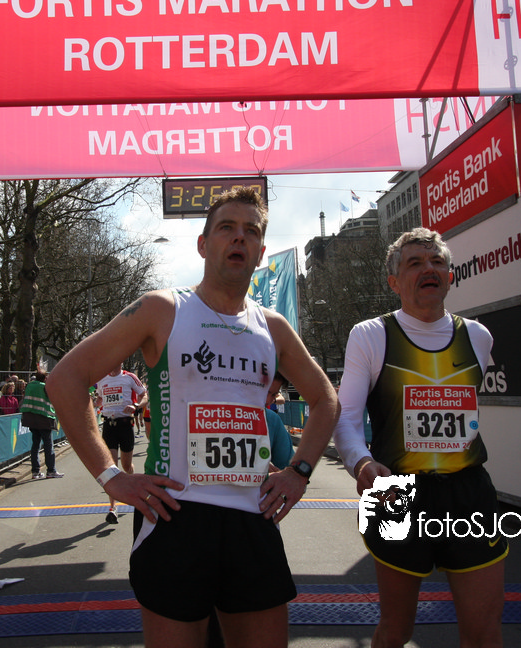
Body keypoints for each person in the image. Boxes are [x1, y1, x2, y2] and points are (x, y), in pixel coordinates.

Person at [47, 187, 339, 648]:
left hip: (252, 517)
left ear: (261, 251)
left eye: (251, 231)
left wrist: (299, 472)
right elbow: (65, 379)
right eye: (226, 228)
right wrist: (110, 476)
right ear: (203, 245)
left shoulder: (273, 327)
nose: (239, 238)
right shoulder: (162, 309)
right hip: (175, 515)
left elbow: (325, 399)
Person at [332, 227, 508, 648]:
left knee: (484, 634)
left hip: (468, 492)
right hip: (397, 492)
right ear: (394, 282)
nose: (428, 269)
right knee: (396, 630)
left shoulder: (478, 337)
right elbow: (346, 418)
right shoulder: (370, 335)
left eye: (437, 262)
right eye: (415, 263)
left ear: (450, 275)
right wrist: (360, 462)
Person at [96, 363, 148, 523]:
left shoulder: (129, 377)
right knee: (111, 467)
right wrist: (96, 403)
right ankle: (113, 508)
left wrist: (136, 406)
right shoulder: (102, 379)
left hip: (125, 425)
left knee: (126, 466)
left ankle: (132, 486)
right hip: (109, 425)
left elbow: (144, 395)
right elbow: (99, 398)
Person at [20, 370, 63, 480]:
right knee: (48, 446)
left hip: (31, 419)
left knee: (35, 445)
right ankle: (51, 470)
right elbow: (54, 397)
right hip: (44, 419)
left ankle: (35, 472)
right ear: (44, 378)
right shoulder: (45, 387)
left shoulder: (29, 386)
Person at [265, 372, 293, 470]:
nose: (268, 401)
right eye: (264, 392)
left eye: (274, 395)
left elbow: (288, 466)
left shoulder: (272, 420)